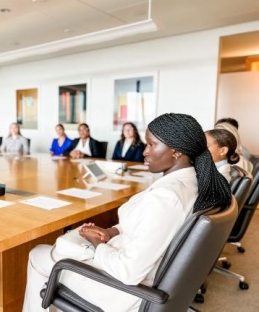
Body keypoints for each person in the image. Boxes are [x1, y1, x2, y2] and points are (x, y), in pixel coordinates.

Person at [22, 113, 231, 312]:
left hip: (123, 289)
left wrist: (99, 244)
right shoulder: (193, 182)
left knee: (37, 254)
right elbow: (148, 226)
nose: (145, 151)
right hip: (132, 261)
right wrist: (112, 231)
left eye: (151, 144)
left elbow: (128, 271)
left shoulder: (166, 198)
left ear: (176, 151)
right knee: (65, 243)